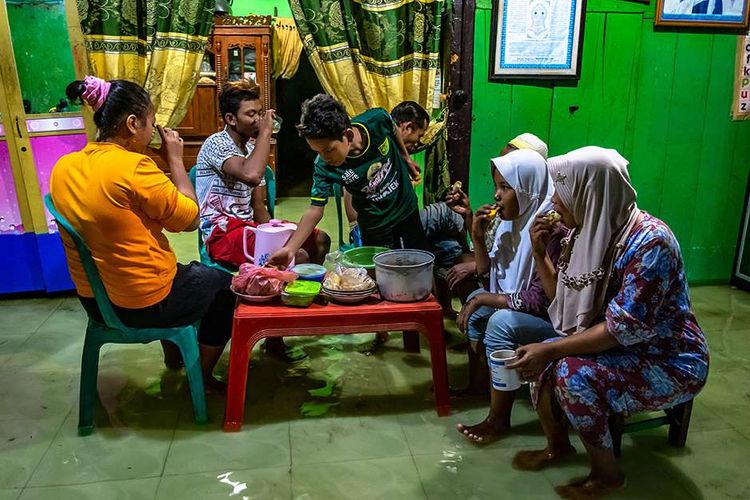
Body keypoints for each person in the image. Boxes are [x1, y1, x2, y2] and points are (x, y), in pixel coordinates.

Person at [508, 147, 709, 498]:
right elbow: (563, 301)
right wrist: (540, 253)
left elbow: (622, 329)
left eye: (562, 191)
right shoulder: (584, 233)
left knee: (570, 371)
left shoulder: (651, 243)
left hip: (669, 358)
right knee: (541, 360)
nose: (554, 201)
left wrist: (550, 349)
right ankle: (558, 446)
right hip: (618, 344)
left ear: (591, 192)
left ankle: (607, 476)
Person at [50, 76, 233, 391]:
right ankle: (199, 377)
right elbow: (190, 220)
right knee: (223, 286)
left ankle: (175, 355)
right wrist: (176, 161)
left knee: (184, 273)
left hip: (95, 302)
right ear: (133, 123)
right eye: (151, 123)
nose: (153, 132)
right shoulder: (135, 167)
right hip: (144, 304)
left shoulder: (63, 167)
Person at [446, 150, 565, 413]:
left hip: (551, 317)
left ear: (528, 190)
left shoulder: (547, 229)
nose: (496, 196)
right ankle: (480, 386)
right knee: (476, 308)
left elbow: (541, 301)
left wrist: (484, 298)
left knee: (497, 319)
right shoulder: (509, 223)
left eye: (505, 187)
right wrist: (476, 236)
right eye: (496, 186)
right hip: (522, 302)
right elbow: (490, 275)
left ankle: (499, 417)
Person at [268, 94, 428, 268]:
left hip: (406, 209)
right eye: (318, 151)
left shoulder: (376, 120)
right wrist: (290, 249)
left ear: (348, 136)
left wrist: (406, 159)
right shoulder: (323, 167)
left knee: (420, 265)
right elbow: (314, 211)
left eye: (328, 150)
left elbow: (393, 127)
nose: (324, 158)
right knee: (382, 276)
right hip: (375, 226)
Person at [196, 81, 330, 269]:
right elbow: (251, 175)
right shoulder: (216, 143)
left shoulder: (252, 148)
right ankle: (283, 294)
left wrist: (275, 231)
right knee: (296, 256)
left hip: (249, 225)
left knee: (320, 240)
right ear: (231, 119)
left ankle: (302, 290)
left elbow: (258, 205)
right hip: (221, 233)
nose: (258, 119)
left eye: (260, 113)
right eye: (251, 114)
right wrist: (265, 132)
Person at [446, 133, 549, 304]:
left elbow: (538, 294)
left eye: (511, 170)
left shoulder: (542, 221)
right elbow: (488, 251)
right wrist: (469, 216)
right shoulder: (510, 209)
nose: (501, 170)